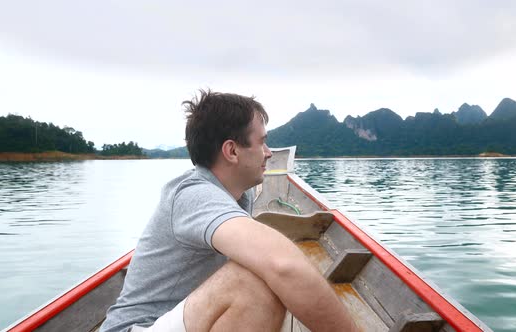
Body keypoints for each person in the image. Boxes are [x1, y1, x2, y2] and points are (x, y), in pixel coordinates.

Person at [100, 90, 358, 332]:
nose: (269, 154)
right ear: (232, 151)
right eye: (262, 143)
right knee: (252, 281)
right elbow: (283, 265)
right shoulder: (195, 195)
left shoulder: (238, 194)